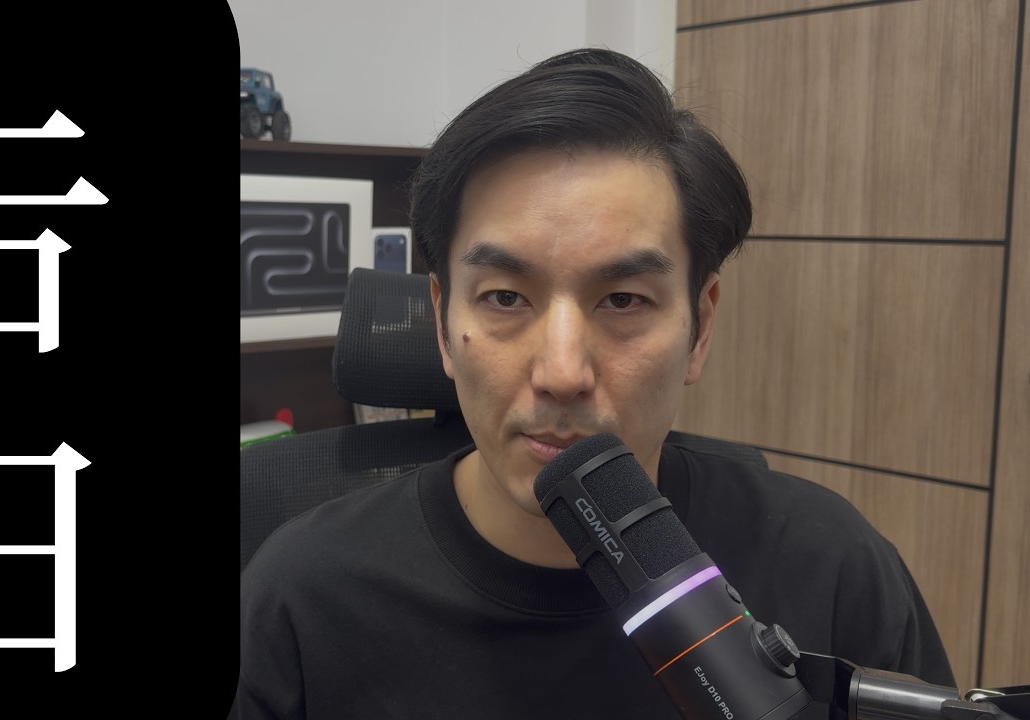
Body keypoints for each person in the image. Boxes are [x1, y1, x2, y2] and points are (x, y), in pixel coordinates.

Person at [231, 47, 954, 719]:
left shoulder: (832, 568)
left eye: (623, 300)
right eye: (505, 297)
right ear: (443, 324)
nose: (562, 374)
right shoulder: (302, 597)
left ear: (700, 327)